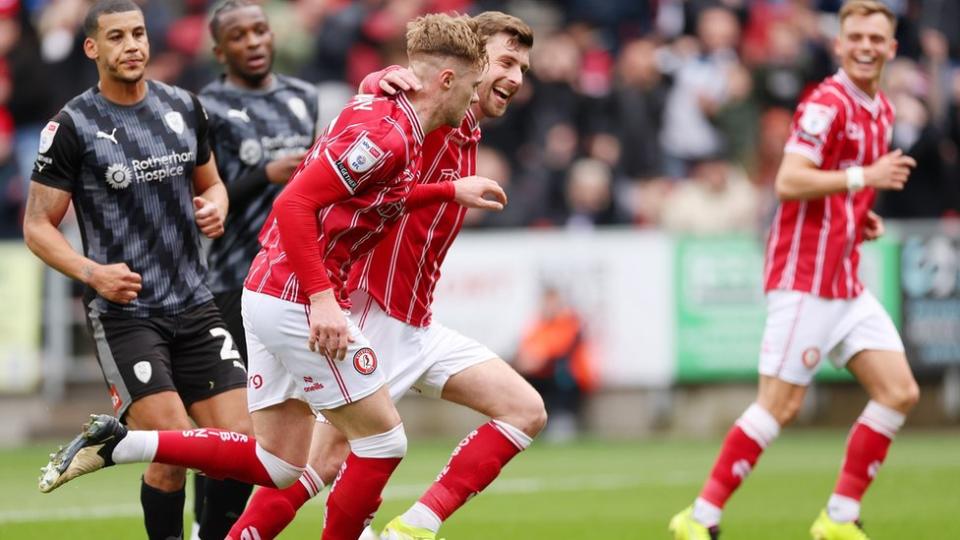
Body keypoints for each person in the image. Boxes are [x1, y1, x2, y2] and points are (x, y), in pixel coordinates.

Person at [38, 13, 505, 540]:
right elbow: (294, 203)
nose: (475, 97)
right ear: (446, 80)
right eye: (472, 84)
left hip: (267, 290)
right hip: (294, 297)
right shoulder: (392, 135)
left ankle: (122, 444)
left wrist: (447, 191)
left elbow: (370, 192)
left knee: (280, 464)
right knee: (382, 442)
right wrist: (323, 300)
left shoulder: (379, 105)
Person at [226, 12, 543, 540]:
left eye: (524, 67)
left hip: (416, 324)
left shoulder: (465, 130)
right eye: (506, 62)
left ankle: (413, 527)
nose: (515, 77)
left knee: (524, 409)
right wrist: (378, 80)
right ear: (469, 66)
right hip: (372, 314)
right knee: (317, 464)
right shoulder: (436, 117)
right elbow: (376, 121)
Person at [669, 2, 919, 540]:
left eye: (877, 37)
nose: (866, 46)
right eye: (855, 36)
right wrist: (863, 179)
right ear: (838, 44)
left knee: (899, 391)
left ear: (892, 47)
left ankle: (838, 517)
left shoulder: (880, 111)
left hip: (844, 280)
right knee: (779, 405)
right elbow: (789, 181)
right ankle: (699, 517)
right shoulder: (825, 104)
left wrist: (861, 216)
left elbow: (838, 188)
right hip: (804, 278)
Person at [21, 2, 252, 539]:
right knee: (172, 449)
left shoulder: (185, 107)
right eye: (118, 36)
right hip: (126, 314)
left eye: (140, 34)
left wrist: (216, 202)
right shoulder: (72, 126)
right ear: (92, 48)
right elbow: (37, 226)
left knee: (240, 445)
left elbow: (210, 183)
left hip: (194, 303)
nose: (133, 46)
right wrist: (92, 273)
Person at [191, 1, 321, 537]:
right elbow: (198, 194)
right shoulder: (204, 108)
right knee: (236, 425)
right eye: (239, 36)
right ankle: (208, 526)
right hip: (233, 282)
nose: (253, 41)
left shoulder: (303, 97)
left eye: (259, 30)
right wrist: (263, 174)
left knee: (288, 422)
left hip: (293, 282)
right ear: (220, 51)